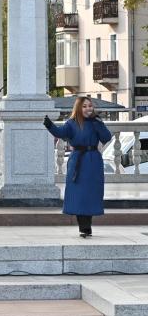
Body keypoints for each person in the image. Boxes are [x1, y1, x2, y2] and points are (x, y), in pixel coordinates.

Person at [43, 97, 112, 238]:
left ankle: (87, 225)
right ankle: (84, 226)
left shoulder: (96, 122)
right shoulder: (72, 123)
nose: (88, 109)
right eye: (85, 106)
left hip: (93, 160)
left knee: (91, 193)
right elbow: (60, 133)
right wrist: (49, 125)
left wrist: (99, 124)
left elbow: (106, 137)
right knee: (79, 193)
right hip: (78, 161)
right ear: (79, 108)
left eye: (90, 106)